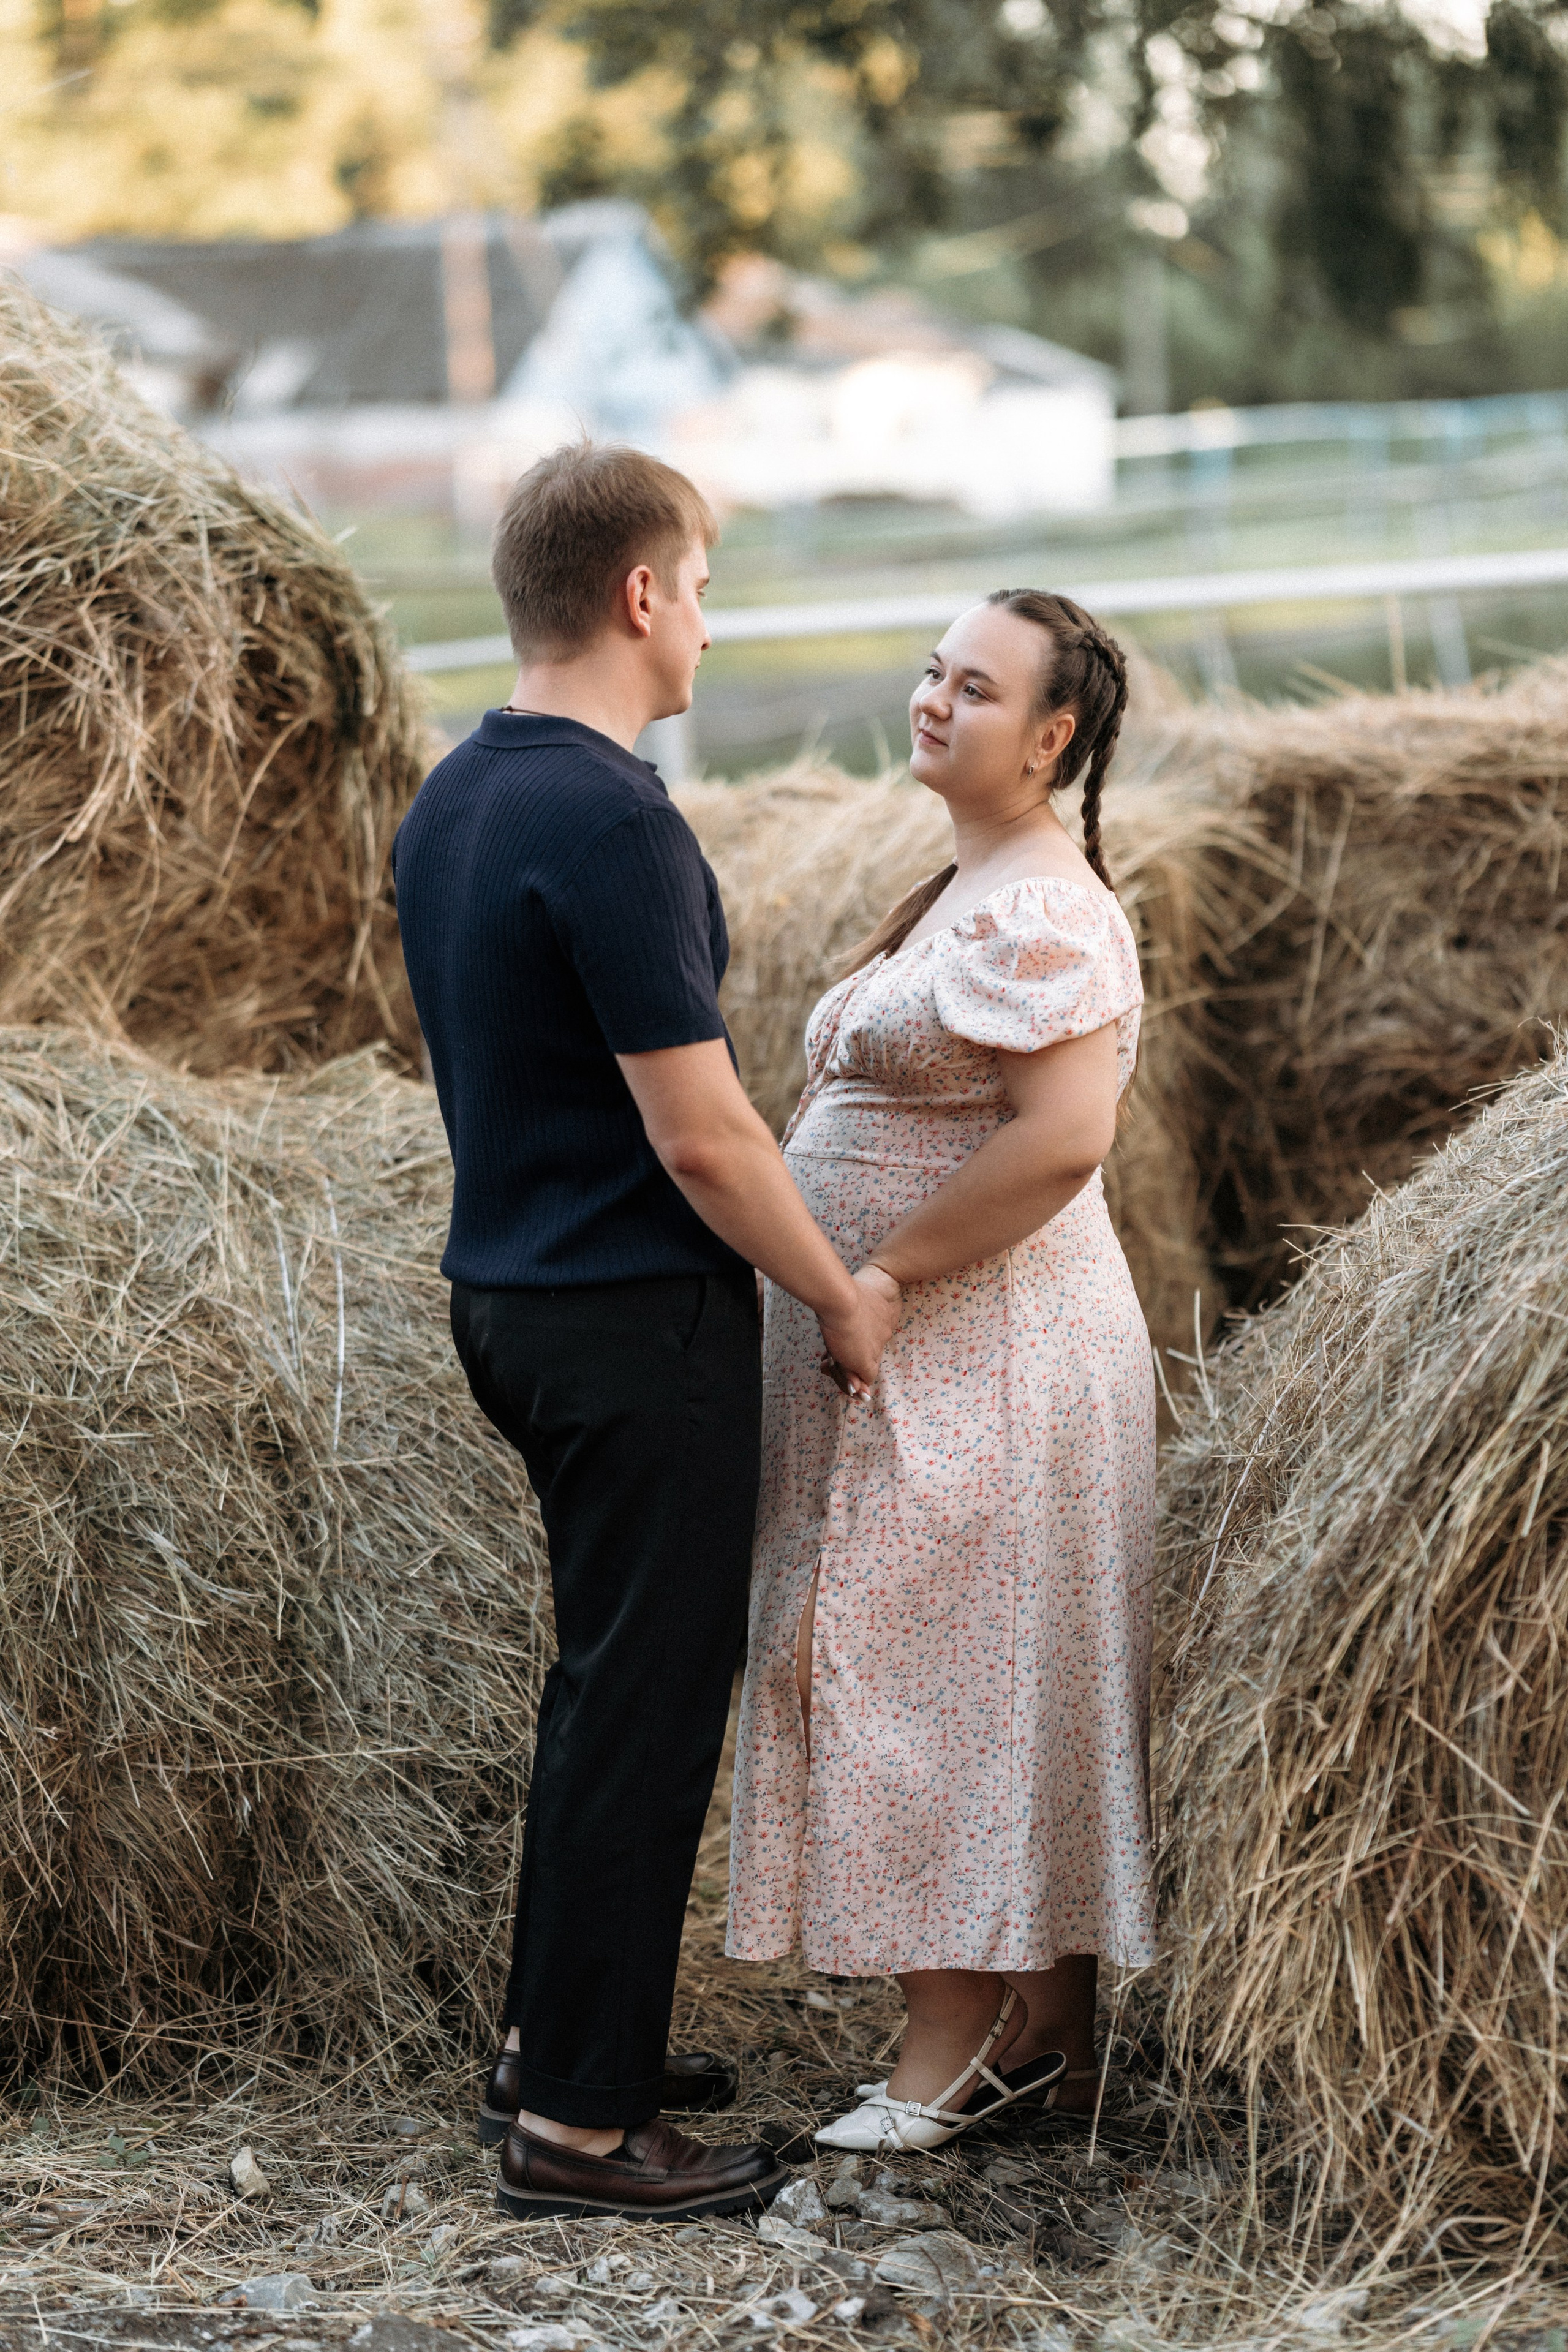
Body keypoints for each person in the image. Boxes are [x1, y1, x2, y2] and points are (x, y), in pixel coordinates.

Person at [391, 442, 896, 2220]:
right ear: (639, 593)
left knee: (601, 1689)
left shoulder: (458, 795)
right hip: (630, 1322)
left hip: (511, 1301)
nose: (708, 619)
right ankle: (585, 2138)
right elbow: (702, 1132)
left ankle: (559, 2043)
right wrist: (841, 1293)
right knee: (648, 1710)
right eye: (702, 581)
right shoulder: (611, 817)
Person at [726, 589, 1156, 2150]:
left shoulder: (1041, 906)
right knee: (964, 1667)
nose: (931, 701)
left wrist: (887, 1271)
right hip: (923, 1353)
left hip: (979, 1349)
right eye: (929, 671)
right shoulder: (966, 886)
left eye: (974, 689)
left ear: (1049, 738)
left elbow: (1062, 1137)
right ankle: (1043, 2039)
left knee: (917, 1671)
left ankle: (950, 2040)